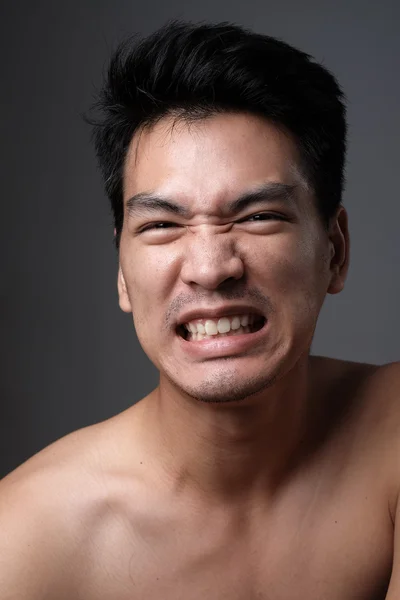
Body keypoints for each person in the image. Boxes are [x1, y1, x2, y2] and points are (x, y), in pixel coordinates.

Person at [0, 19, 399, 600]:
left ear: (334, 251)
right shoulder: (24, 543)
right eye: (162, 225)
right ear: (121, 273)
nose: (211, 268)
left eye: (258, 215)